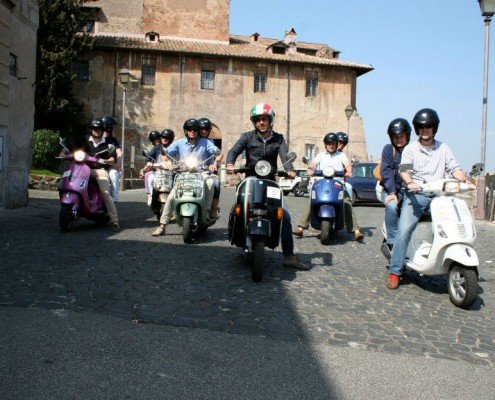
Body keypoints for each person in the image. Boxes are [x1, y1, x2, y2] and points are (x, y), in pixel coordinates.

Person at [386, 108, 476, 290]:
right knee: (404, 230)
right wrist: (410, 182)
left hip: (439, 196)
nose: (425, 129)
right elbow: (405, 170)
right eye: (421, 127)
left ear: (434, 128)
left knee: (453, 224)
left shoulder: (444, 148)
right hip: (416, 195)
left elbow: (454, 168)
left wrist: (466, 180)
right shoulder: (411, 149)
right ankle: (395, 270)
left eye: (428, 126)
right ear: (417, 129)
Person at [225, 103, 310, 270]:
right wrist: (229, 164)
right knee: (239, 207)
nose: (261, 122)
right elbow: (233, 151)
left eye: (264, 119)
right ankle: (239, 237)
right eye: (258, 120)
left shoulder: (278, 139)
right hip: (250, 179)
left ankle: (289, 256)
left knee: (284, 215)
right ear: (254, 122)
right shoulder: (247, 137)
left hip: (270, 181)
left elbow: (285, 156)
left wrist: (290, 170)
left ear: (270, 120)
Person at [152, 119, 218, 236]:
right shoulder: (179, 143)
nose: (192, 131)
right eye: (189, 129)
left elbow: (216, 151)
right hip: (183, 173)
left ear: (198, 131)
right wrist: (167, 163)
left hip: (200, 172)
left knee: (210, 182)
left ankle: (207, 211)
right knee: (172, 195)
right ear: (185, 131)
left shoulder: (205, 142)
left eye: (195, 129)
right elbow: (165, 152)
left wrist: (214, 162)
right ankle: (163, 225)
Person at [292, 132, 364, 242]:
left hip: (337, 184)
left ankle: (356, 231)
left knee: (346, 202)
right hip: (322, 183)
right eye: (329, 143)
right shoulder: (320, 155)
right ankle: (301, 227)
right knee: (313, 200)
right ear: (325, 144)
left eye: (333, 143)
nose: (331, 145)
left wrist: (349, 171)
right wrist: (310, 169)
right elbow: (313, 163)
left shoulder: (341, 155)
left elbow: (347, 165)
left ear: (336, 144)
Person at [379, 118, 411, 251]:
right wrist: (392, 192)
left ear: (407, 136)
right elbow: (386, 171)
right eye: (396, 137)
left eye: (402, 136)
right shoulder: (389, 149)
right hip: (391, 189)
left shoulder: (411, 150)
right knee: (392, 207)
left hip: (408, 190)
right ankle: (392, 242)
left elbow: (410, 171)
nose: (399, 139)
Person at [83, 118, 120, 231]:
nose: (97, 131)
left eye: (99, 129)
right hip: (84, 169)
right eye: (95, 128)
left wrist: (103, 161)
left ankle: (114, 221)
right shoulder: (85, 140)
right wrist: (64, 152)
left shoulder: (108, 143)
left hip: (99, 170)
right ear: (91, 129)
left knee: (105, 193)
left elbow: (112, 159)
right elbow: (74, 149)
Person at [198, 117, 223, 219]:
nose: (204, 131)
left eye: (206, 129)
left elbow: (219, 154)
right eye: (201, 129)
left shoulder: (211, 141)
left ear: (209, 130)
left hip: (208, 169)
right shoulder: (193, 140)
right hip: (192, 169)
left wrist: (215, 164)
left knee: (216, 183)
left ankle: (213, 209)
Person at [101, 115, 121, 202]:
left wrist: (118, 164)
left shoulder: (112, 140)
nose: (112, 128)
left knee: (114, 175)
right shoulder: (96, 138)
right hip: (94, 164)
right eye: (111, 126)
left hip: (108, 164)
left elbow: (119, 152)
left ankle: (114, 198)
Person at [140, 130, 162, 206]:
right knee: (149, 177)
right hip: (158, 170)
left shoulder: (171, 147)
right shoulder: (156, 148)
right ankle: (151, 196)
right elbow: (148, 157)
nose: (156, 141)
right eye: (155, 140)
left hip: (168, 170)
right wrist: (147, 165)